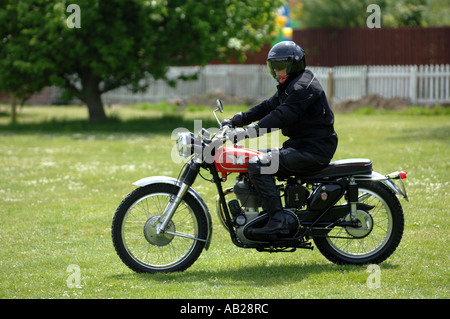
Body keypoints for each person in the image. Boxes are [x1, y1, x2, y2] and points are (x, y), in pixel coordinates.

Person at [221, 41, 338, 237]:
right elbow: (268, 106)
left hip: (313, 150)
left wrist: (248, 131)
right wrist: (237, 119)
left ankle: (278, 222)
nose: (277, 72)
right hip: (300, 146)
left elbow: (281, 116)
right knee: (253, 158)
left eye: (281, 67)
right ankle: (266, 214)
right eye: (273, 68)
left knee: (259, 165)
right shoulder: (291, 84)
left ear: (295, 64)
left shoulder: (302, 87)